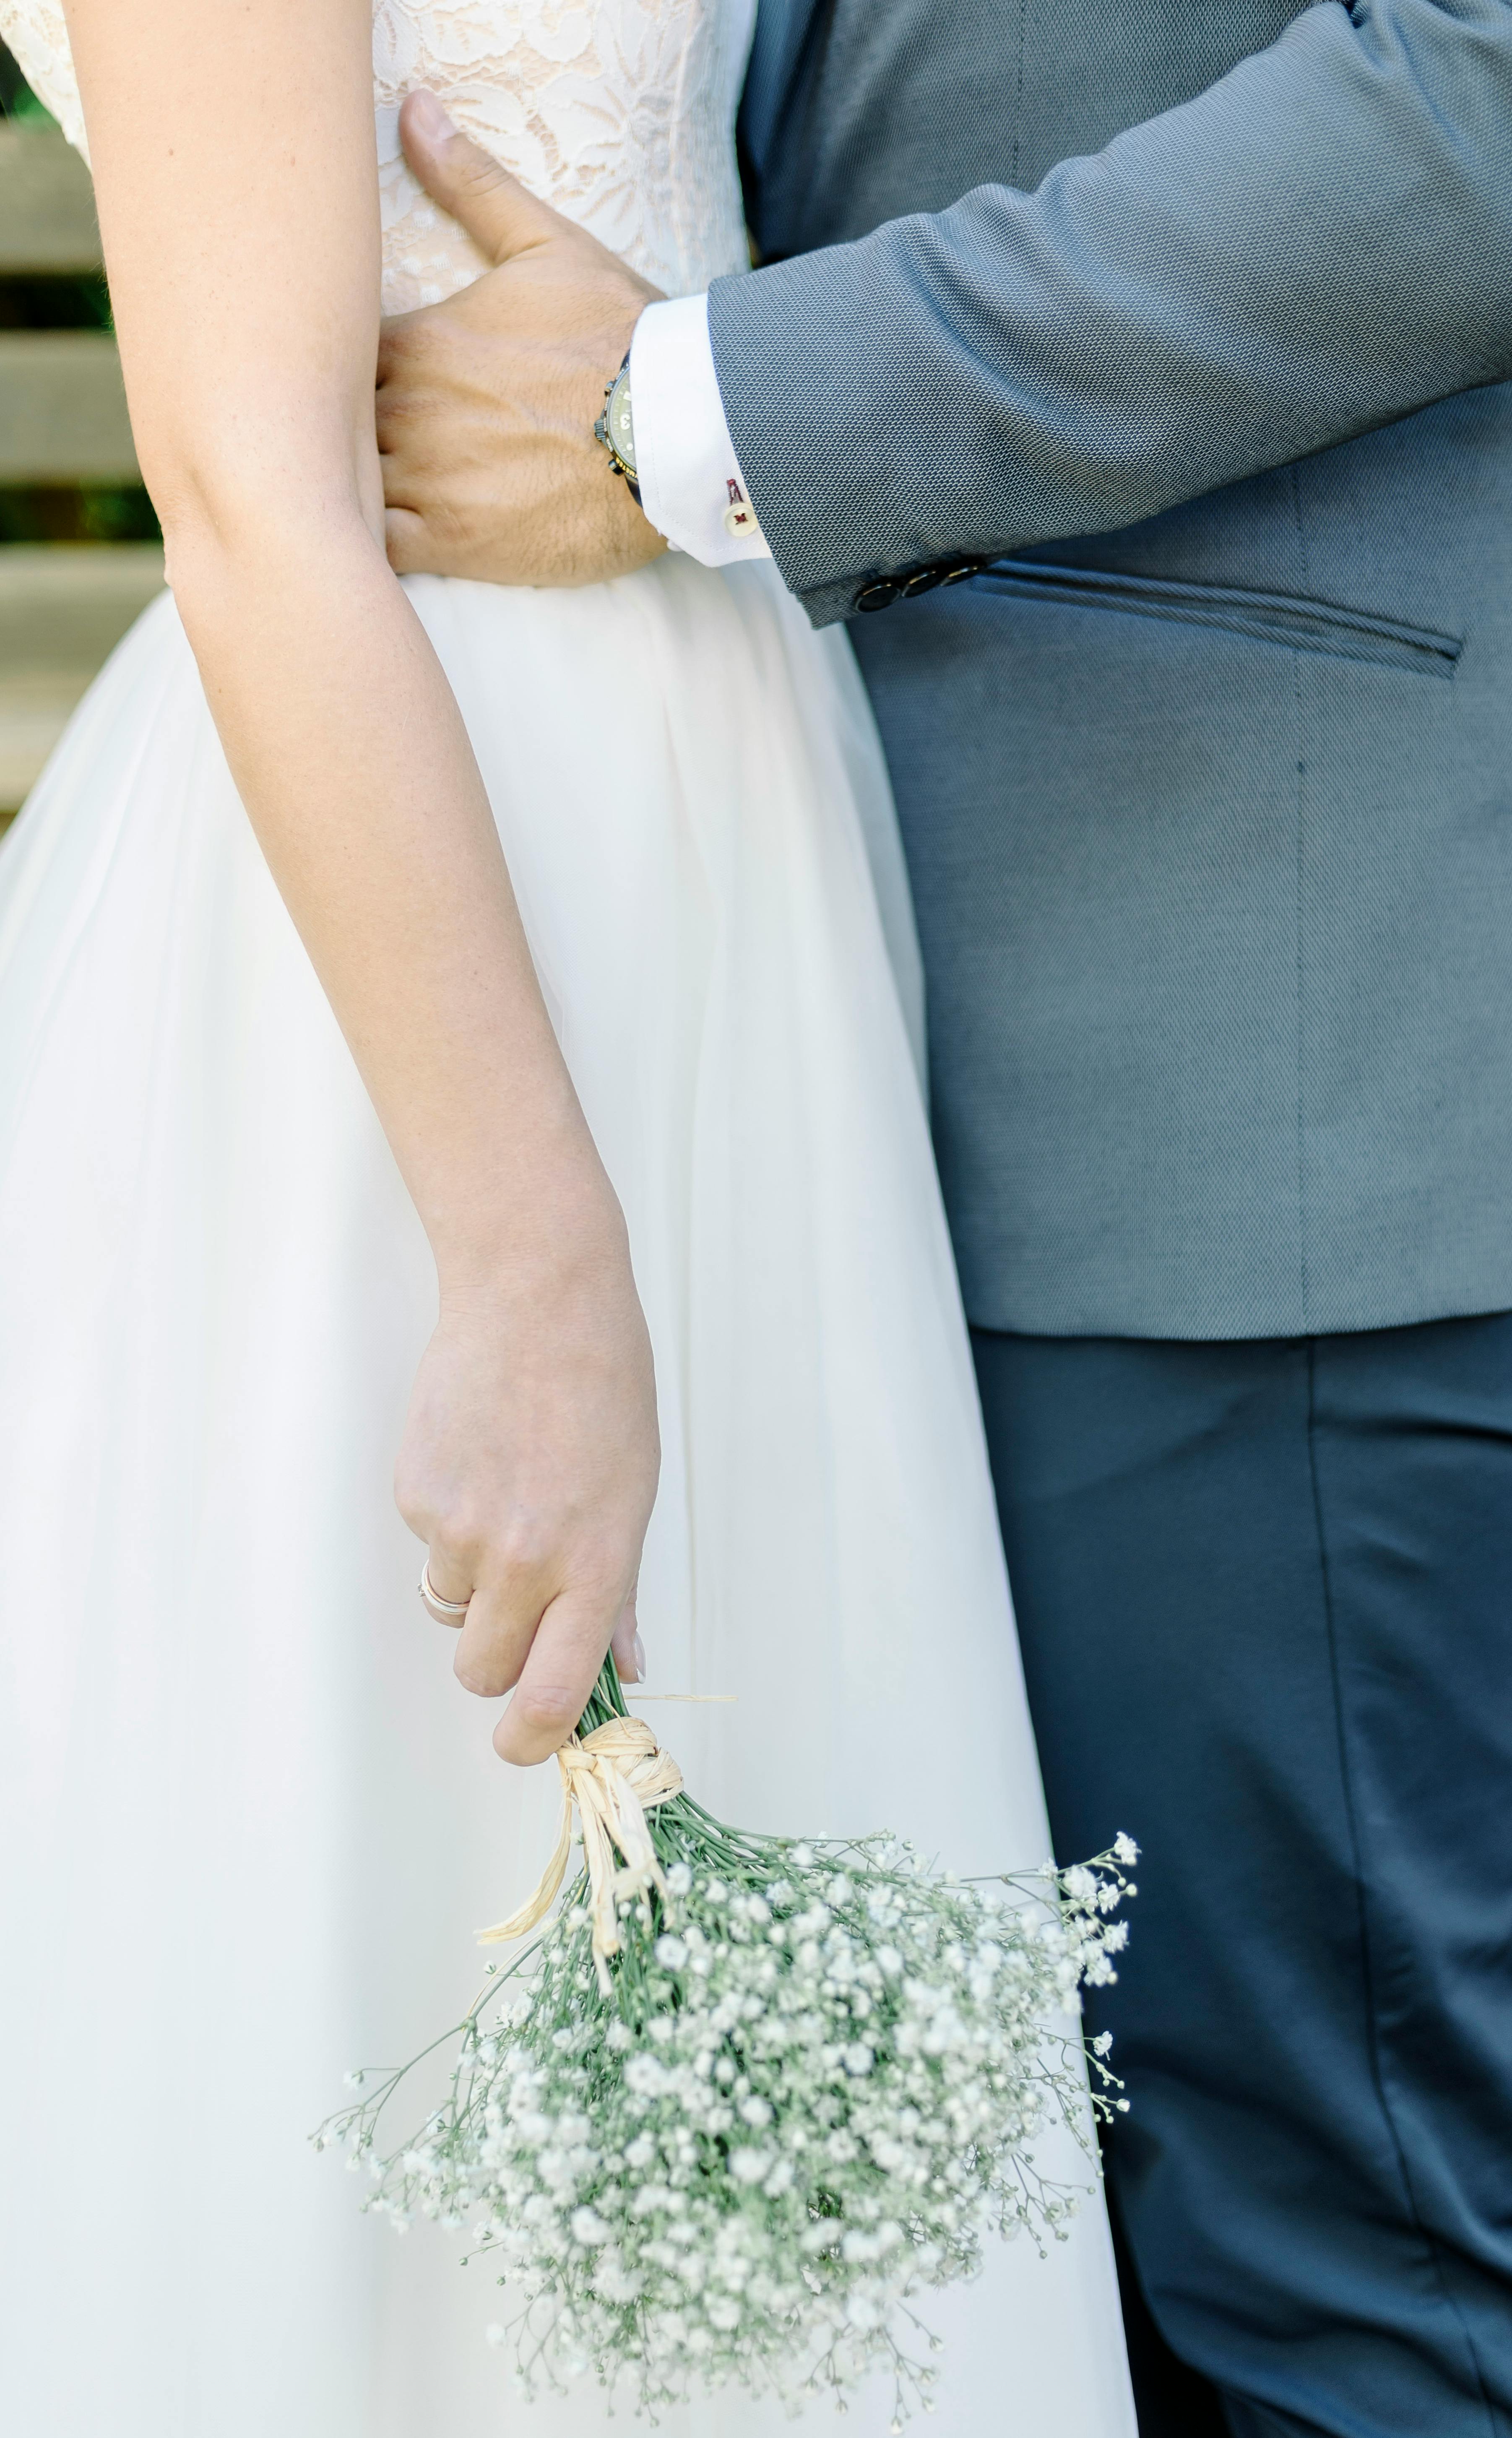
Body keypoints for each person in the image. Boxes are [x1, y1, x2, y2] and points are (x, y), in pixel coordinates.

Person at [364, 2, 1512, 2433]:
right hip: (734, 1053)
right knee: (956, 2307)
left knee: (1324, 2269)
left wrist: (701, 415)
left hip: (1219, 1026)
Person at [0, 4, 1136, 2434]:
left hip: (728, 812)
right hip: (429, 929)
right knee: (376, 1932)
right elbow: (249, 488)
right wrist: (529, 1258)